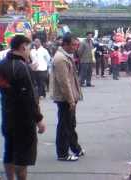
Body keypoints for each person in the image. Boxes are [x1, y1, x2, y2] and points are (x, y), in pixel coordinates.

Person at [0, 35, 46, 180]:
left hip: (7, 114)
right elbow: (29, 98)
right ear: (23, 47)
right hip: (23, 119)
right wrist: (39, 119)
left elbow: (7, 87)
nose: (30, 50)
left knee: (9, 151)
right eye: (29, 47)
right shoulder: (22, 67)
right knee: (22, 158)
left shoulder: (2, 64)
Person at [51, 33, 85, 162]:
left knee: (70, 124)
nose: (75, 47)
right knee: (64, 126)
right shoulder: (60, 58)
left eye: (76, 45)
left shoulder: (66, 56)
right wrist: (71, 100)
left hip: (70, 97)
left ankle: (76, 148)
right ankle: (62, 154)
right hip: (65, 98)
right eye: (73, 45)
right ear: (65, 44)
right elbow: (64, 82)